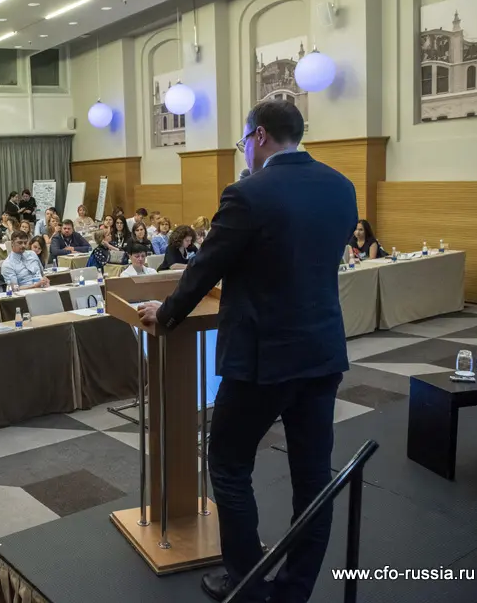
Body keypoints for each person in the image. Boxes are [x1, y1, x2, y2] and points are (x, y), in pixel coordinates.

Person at [137, 99, 357, 603]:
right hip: (321, 351)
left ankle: (246, 582)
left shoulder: (248, 193)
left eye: (243, 142)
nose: (244, 152)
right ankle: (294, 590)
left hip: (263, 358)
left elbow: (205, 267)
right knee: (313, 479)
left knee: (229, 463)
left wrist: (166, 314)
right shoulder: (341, 187)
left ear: (259, 136)